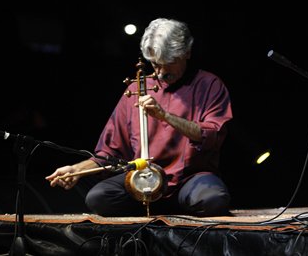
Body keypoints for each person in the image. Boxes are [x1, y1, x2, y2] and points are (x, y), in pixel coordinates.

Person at [46, 18, 233, 217]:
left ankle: (174, 206)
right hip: (142, 178)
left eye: (167, 64)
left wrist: (165, 116)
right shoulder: (136, 89)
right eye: (154, 64)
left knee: (213, 199)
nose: (160, 74)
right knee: (98, 198)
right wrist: (76, 169)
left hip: (188, 180)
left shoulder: (209, 85)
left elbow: (212, 134)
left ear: (186, 52)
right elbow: (110, 151)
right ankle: (155, 204)